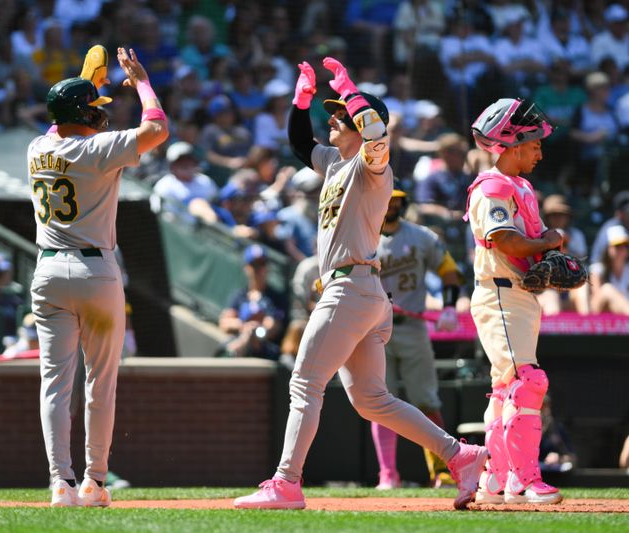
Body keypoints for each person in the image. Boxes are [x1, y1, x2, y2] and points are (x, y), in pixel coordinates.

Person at [234, 57, 488, 511]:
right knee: (372, 399)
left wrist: (352, 90)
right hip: (360, 291)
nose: (332, 119)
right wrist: (302, 99)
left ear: (362, 121)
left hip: (350, 288)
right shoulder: (336, 162)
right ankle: (461, 454)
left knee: (304, 383)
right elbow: (297, 144)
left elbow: (376, 136)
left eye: (341, 114)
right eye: (332, 113)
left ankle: (286, 483)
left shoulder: (375, 166)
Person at [29, 46, 168, 508]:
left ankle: (59, 483)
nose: (100, 115)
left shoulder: (38, 148)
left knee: (55, 383)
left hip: (48, 270)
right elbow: (158, 128)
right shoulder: (98, 149)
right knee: (100, 382)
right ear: (84, 114)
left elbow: (58, 122)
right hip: (94, 270)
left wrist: (88, 86)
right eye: (94, 108)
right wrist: (141, 82)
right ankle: (95, 482)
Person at [466, 97, 565, 505]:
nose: (540, 150)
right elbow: (504, 240)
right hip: (499, 294)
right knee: (529, 381)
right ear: (511, 144)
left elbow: (533, 246)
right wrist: (549, 241)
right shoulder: (492, 187)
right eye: (534, 143)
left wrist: (551, 256)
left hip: (518, 295)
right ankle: (525, 480)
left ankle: (495, 479)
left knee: (507, 387)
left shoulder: (521, 186)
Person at [372, 179, 463, 490]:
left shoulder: (422, 236)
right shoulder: (362, 234)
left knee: (426, 400)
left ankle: (441, 471)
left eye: (396, 199)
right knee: (378, 402)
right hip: (372, 331)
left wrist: (449, 307)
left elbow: (449, 270)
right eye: (387, 198)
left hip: (412, 330)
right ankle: (387, 474)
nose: (391, 204)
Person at [218, 244, 287, 360]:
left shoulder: (275, 297)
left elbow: (273, 327)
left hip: (264, 349)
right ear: (246, 267)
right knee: (225, 350)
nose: (258, 269)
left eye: (262, 264)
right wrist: (245, 326)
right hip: (239, 342)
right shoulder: (239, 295)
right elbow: (225, 323)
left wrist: (254, 331)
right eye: (254, 265)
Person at [590, 225, 629, 314]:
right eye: (618, 245)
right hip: (602, 317)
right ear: (607, 248)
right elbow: (596, 303)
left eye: (626, 245)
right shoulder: (597, 270)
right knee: (607, 289)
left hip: (623, 319)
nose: (622, 249)